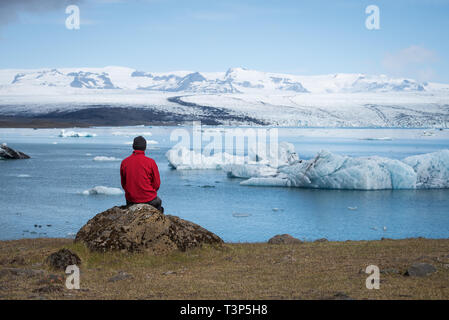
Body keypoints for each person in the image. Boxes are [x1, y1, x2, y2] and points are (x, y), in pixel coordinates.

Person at [120, 136, 164, 213]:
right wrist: (148, 192)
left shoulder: (125, 162)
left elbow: (124, 184)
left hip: (131, 200)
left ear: (133, 146)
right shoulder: (151, 162)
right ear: (145, 147)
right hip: (149, 200)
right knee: (159, 204)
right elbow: (157, 184)